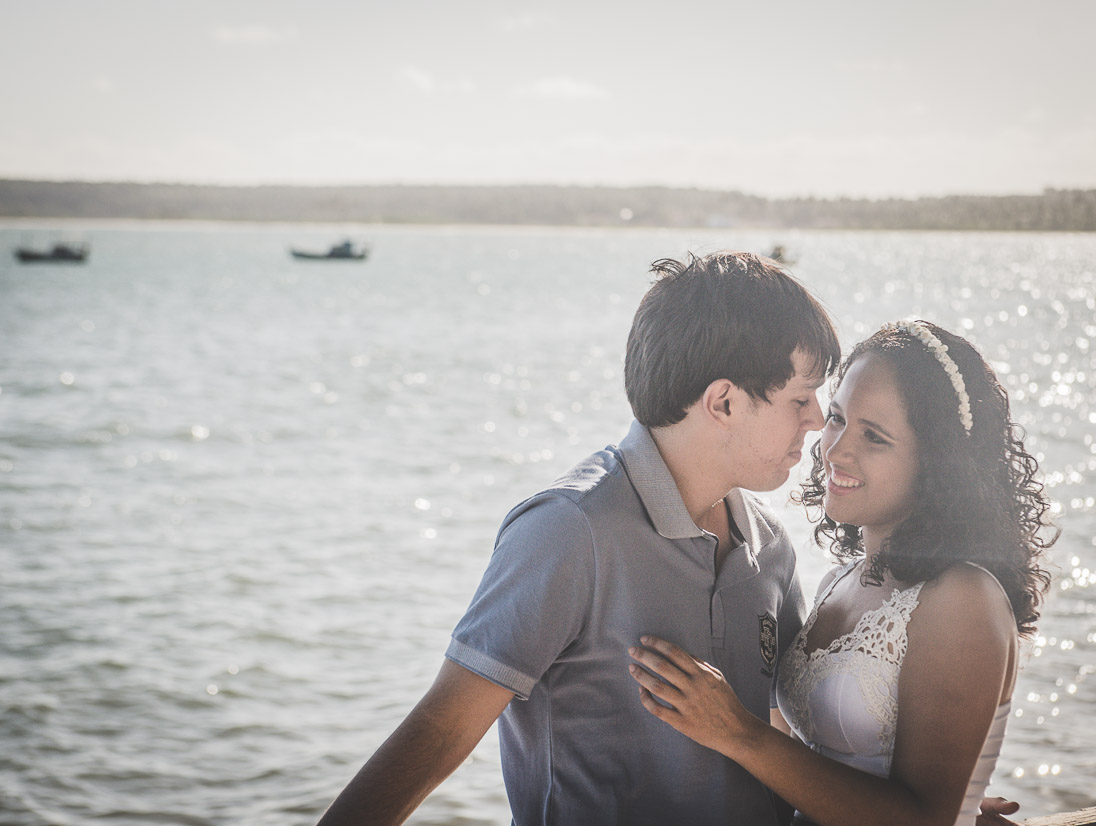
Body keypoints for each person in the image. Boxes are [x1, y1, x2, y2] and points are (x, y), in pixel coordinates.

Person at [316, 251, 842, 825]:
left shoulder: (770, 544)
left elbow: (784, 738)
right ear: (724, 402)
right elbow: (441, 731)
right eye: (801, 398)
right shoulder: (567, 530)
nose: (818, 419)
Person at [630, 320, 1055, 826]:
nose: (834, 450)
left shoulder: (963, 598)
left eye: (874, 437)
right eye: (836, 418)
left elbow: (925, 820)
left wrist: (739, 733)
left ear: (940, 464)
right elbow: (818, 767)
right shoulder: (839, 582)